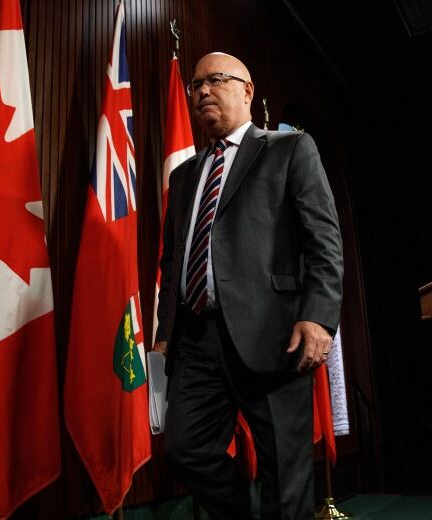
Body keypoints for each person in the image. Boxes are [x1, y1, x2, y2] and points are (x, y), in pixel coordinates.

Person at [153, 52, 343, 520]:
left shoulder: (290, 150)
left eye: (215, 80)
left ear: (247, 90)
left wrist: (318, 315)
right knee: (185, 449)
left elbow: (323, 238)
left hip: (275, 334)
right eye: (195, 85)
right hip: (196, 340)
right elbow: (172, 259)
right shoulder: (182, 178)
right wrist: (164, 331)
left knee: (285, 473)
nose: (201, 91)